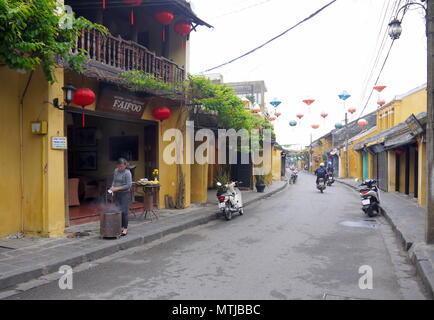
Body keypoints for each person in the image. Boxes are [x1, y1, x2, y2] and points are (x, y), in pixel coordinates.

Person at [110, 158, 132, 236]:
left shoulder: (127, 173)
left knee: (124, 211)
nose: (120, 168)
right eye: (119, 166)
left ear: (125, 165)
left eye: (122, 166)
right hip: (117, 193)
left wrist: (117, 188)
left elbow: (128, 185)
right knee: (118, 210)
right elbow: (114, 180)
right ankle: (120, 226)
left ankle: (125, 228)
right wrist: (112, 187)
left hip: (125, 194)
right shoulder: (116, 171)